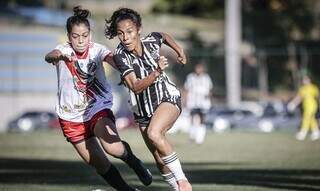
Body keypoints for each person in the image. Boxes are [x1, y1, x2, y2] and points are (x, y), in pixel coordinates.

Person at [44, 6, 152, 191]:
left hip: (97, 108)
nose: (80, 40)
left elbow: (113, 59)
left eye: (84, 35)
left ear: (90, 35)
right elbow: (50, 56)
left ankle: (134, 162)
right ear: (69, 36)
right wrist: (57, 56)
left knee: (113, 148)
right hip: (70, 117)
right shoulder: (62, 50)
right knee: (100, 164)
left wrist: (128, 70)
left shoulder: (97, 50)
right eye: (75, 36)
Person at [105, 8, 192, 191]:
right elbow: (135, 87)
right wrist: (157, 71)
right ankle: (176, 188)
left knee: (154, 133)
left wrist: (179, 50)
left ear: (138, 29)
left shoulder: (151, 41)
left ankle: (183, 182)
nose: (125, 37)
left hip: (167, 97)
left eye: (129, 31)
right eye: (121, 33)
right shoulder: (120, 56)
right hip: (143, 108)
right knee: (159, 158)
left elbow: (164, 36)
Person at [184, 62, 213, 144]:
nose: (198, 70)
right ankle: (191, 136)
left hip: (203, 103)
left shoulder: (206, 78)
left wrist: (209, 97)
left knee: (202, 120)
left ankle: (200, 138)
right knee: (192, 119)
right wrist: (186, 101)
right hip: (193, 102)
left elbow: (210, 90)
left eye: (200, 68)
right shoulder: (190, 77)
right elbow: (186, 89)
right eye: (197, 68)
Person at [288, 75, 320, 141]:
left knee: (306, 118)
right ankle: (316, 132)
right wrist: (293, 104)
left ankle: (303, 133)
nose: (304, 81)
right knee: (311, 119)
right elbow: (299, 98)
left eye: (306, 79)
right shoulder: (302, 89)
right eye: (303, 80)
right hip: (306, 106)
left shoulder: (313, 88)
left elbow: (318, 97)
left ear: (309, 80)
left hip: (313, 106)